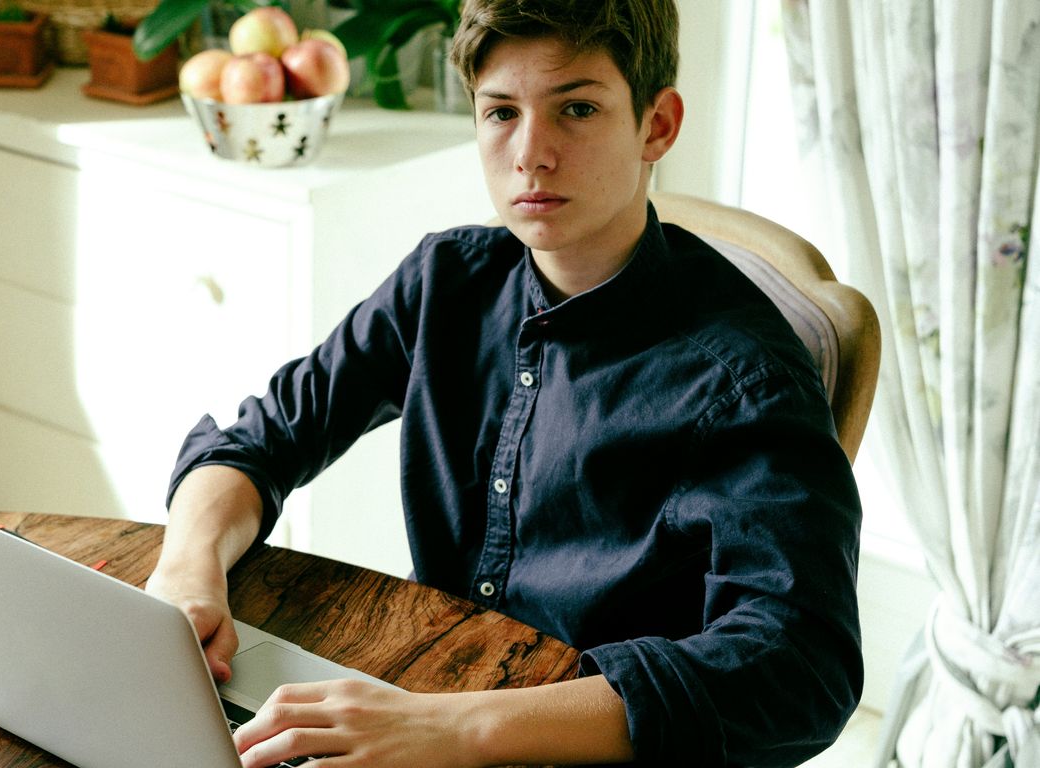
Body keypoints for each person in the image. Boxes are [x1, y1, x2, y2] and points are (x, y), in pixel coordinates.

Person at [146, 0, 864, 764]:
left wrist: (454, 727)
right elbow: (266, 437)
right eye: (500, 112)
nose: (530, 155)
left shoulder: (745, 379)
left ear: (656, 125)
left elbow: (800, 667)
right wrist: (186, 571)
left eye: (577, 109)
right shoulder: (446, 281)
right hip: (425, 697)